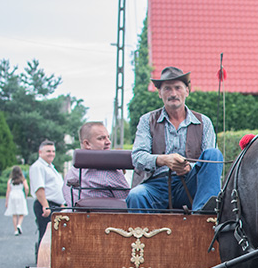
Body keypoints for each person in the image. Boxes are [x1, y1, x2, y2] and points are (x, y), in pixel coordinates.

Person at [127, 66, 223, 212]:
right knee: (136, 195)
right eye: (167, 89)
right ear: (159, 93)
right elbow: (138, 157)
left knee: (214, 154)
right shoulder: (147, 120)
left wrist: (188, 167)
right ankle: (143, 234)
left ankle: (204, 215)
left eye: (178, 88)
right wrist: (163, 160)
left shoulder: (204, 122)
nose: (173, 93)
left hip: (190, 185)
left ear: (187, 91)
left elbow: (209, 165)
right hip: (156, 185)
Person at [62, 122, 129, 206]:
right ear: (87, 144)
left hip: (75, 217)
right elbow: (128, 203)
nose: (108, 142)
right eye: (101, 138)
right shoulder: (110, 172)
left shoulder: (71, 174)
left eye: (108, 137)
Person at [29, 140, 65, 254]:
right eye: (48, 151)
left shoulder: (50, 167)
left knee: (54, 235)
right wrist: (45, 206)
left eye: (53, 151)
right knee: (45, 235)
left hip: (55, 205)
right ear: (40, 152)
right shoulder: (38, 167)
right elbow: (39, 188)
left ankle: (51, 259)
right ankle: (42, 262)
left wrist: (61, 204)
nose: (51, 153)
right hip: (46, 204)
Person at [4, 165, 29, 235]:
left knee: (14, 214)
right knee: (22, 212)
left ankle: (15, 230)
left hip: (12, 195)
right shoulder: (23, 180)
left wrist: (6, 201)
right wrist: (26, 195)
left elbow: (8, 191)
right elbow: (26, 188)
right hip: (20, 194)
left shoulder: (10, 181)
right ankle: (19, 224)